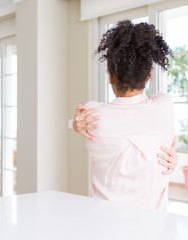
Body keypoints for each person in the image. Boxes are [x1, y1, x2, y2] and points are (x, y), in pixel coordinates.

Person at [72, 20, 177, 211]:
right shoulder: (164, 107)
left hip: (104, 226)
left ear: (110, 76)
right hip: (153, 230)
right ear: (148, 76)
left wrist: (74, 125)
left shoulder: (91, 114)